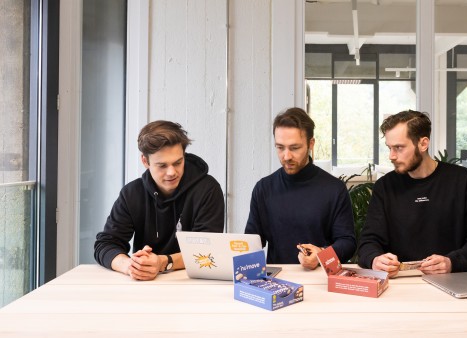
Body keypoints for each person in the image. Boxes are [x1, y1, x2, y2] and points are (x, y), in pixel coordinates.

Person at [357, 110, 467, 276]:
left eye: (399, 148)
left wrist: (452, 262)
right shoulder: (384, 187)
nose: (391, 156)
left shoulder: (464, 181)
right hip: (400, 283)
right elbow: (367, 243)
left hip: (454, 280)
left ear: (423, 144)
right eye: (389, 148)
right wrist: (375, 259)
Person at [94, 120, 224, 281]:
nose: (171, 172)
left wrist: (163, 262)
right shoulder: (132, 193)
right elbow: (105, 244)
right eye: (162, 165)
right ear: (145, 161)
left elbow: (208, 250)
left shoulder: (207, 189)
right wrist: (131, 266)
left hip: (194, 283)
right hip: (145, 285)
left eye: (178, 162)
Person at [245, 107, 356, 269]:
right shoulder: (263, 188)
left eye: (294, 148)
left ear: (311, 143)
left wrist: (322, 255)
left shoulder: (334, 189)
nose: (286, 156)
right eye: (280, 147)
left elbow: (348, 243)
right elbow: (252, 241)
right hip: (277, 281)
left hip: (321, 280)